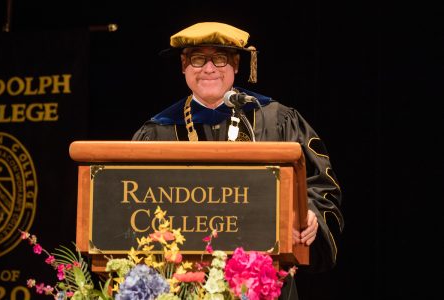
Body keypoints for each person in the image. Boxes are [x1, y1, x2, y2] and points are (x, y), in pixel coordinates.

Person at [132, 22, 344, 299]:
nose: (209, 69)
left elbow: (321, 185)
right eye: (197, 58)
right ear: (183, 65)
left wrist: (310, 213)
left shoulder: (274, 118)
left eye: (219, 58)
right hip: (181, 281)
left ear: (236, 64)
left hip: (264, 279)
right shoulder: (158, 130)